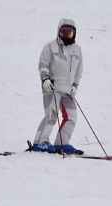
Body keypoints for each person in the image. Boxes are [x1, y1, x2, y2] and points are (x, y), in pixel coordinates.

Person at [32, 18, 83, 154]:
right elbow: (43, 64)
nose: (66, 35)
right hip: (52, 87)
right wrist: (45, 79)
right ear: (58, 31)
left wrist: (75, 86)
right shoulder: (50, 47)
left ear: (74, 34)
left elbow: (79, 70)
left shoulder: (77, 50)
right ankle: (40, 142)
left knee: (71, 116)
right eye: (63, 32)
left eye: (69, 33)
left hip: (67, 90)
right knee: (51, 115)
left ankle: (62, 143)